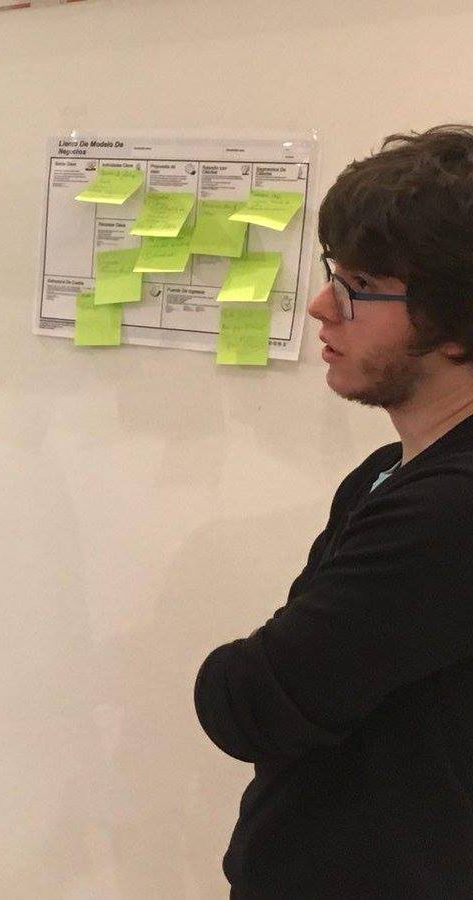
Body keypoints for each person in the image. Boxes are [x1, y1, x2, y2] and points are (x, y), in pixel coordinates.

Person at [196, 125, 473, 897]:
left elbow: (252, 703)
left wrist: (236, 672)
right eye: (332, 274)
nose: (323, 305)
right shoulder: (386, 473)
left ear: (457, 313)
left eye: (362, 284)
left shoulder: (451, 508)